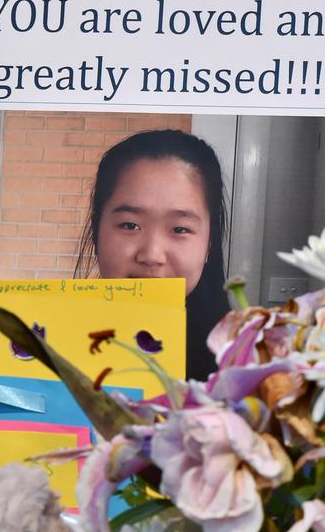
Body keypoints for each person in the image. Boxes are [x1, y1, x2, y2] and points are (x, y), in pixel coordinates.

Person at [74, 128, 229, 380]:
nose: (152, 255)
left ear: (209, 242)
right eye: (130, 225)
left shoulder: (248, 368)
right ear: (96, 228)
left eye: (180, 229)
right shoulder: (43, 345)